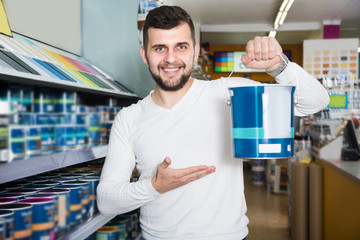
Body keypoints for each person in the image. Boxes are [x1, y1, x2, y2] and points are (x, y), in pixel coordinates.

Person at [97, 5, 329, 240]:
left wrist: (278, 66)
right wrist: (155, 186)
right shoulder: (129, 118)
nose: (170, 58)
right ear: (144, 54)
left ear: (195, 51)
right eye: (159, 48)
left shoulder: (228, 92)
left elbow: (316, 102)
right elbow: (107, 200)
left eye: (181, 46)